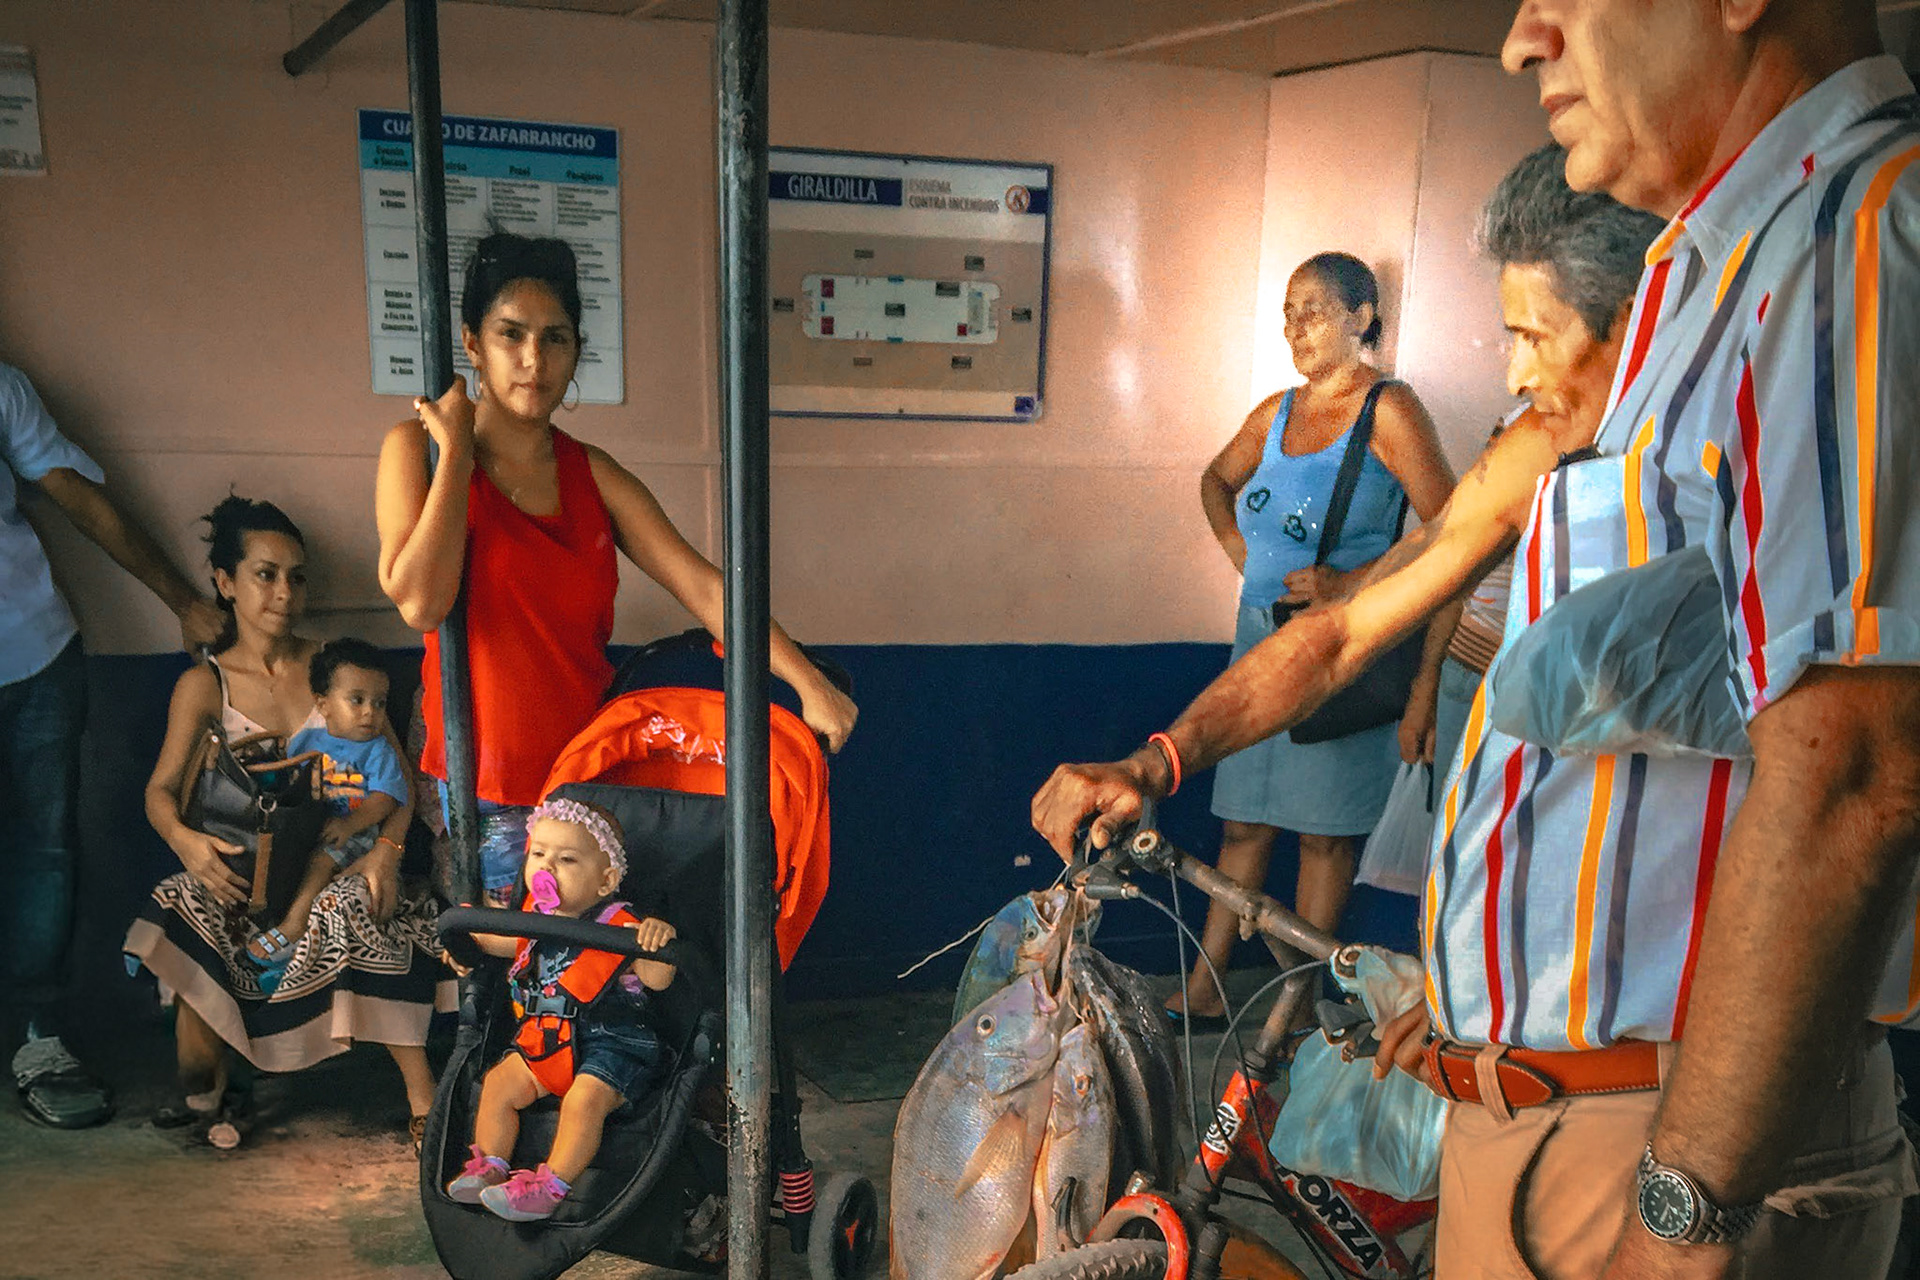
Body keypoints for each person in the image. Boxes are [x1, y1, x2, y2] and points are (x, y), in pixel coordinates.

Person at [1038, 135, 1850, 1278]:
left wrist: (1688, 1199)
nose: (1515, 373)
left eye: (1532, 335)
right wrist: (1157, 761)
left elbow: (1842, 790)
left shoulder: (1758, 469)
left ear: (1646, 318)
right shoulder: (1542, 454)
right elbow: (1341, 631)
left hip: (1654, 1112)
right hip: (1508, 1091)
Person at [376, 232, 858, 908]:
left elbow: (705, 586)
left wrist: (808, 681)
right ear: (472, 342)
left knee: (594, 988)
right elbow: (421, 602)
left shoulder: (593, 476)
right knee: (513, 987)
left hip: (589, 781)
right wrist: (457, 454)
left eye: (556, 339)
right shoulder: (418, 454)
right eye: (510, 334)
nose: (533, 360)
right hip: (482, 788)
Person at [1169, 252, 1455, 1027]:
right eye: (1288, 312)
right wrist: (1240, 552)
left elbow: (1452, 532)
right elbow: (1212, 479)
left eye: (1314, 311)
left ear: (1362, 318)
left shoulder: (1389, 411)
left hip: (1338, 655)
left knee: (1322, 841)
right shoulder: (1276, 412)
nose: (1295, 327)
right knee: (1242, 825)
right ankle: (1206, 986)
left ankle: (1292, 1009)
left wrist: (1352, 587)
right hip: (1258, 646)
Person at [124, 497, 453, 1150]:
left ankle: (425, 1102)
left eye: (296, 576)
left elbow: (401, 780)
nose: (283, 591)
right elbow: (160, 792)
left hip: (342, 857)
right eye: (264, 573)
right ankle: (217, 1089)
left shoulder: (338, 672)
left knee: (348, 902)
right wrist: (187, 844)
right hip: (244, 869)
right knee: (183, 907)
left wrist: (387, 851)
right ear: (226, 582)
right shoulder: (204, 685)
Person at [2, 360, 227, 1129]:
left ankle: (39, 1037)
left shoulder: (0, 385)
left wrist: (181, 600)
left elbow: (76, 495)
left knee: (45, 855)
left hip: (31, 658)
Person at [445, 797, 676, 1222]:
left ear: (605, 881)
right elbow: (500, 943)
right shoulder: (533, 919)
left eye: (566, 859)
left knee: (582, 1102)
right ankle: (491, 1167)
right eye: (538, 854)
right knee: (498, 1085)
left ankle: (550, 1186)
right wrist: (464, 940)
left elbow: (659, 979)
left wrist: (657, 937)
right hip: (546, 1041)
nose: (546, 868)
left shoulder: (620, 925)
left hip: (613, 1048)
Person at [239, 638, 410, 993]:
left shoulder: (377, 750)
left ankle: (292, 927)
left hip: (356, 837)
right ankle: (293, 963)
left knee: (319, 864)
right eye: (357, 700)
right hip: (315, 829)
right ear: (323, 705)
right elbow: (290, 776)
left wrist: (351, 824)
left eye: (379, 703)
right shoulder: (308, 741)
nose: (370, 713)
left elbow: (387, 798)